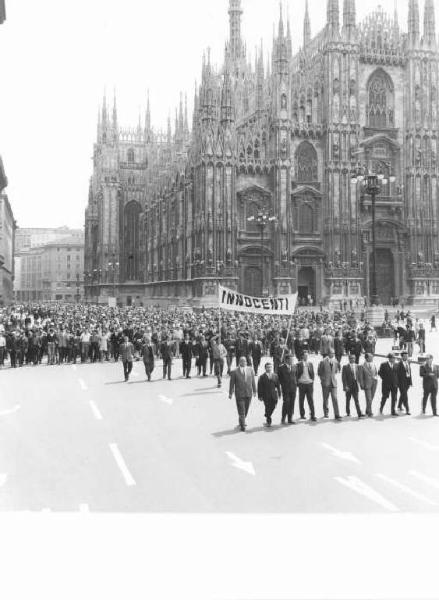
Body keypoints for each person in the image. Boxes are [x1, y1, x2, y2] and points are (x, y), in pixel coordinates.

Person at [229, 356, 257, 432]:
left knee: (246, 410)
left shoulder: (250, 369)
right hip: (239, 394)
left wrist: (254, 391)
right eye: (241, 361)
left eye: (244, 361)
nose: (243, 362)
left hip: (248, 393)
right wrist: (230, 393)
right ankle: (242, 425)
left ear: (246, 362)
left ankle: (242, 419)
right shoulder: (234, 372)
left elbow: (253, 381)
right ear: (239, 362)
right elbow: (232, 383)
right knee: (242, 410)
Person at [318, 348, 342, 420]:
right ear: (328, 354)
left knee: (335, 398)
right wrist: (323, 380)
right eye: (332, 353)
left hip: (333, 383)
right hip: (326, 383)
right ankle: (326, 413)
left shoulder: (335, 361)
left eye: (334, 353)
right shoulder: (323, 361)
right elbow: (319, 372)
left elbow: (337, 370)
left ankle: (337, 414)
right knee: (326, 399)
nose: (333, 354)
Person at [257, 362, 281, 427]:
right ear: (265, 368)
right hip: (266, 395)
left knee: (273, 406)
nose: (269, 368)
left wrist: (279, 393)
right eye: (267, 367)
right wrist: (260, 396)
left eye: (270, 367)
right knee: (267, 407)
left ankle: (267, 414)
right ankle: (268, 421)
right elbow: (259, 387)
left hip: (274, 395)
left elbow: (278, 385)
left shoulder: (275, 375)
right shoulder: (262, 377)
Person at [296, 350, 316, 421]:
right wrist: (298, 382)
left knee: (311, 400)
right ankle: (302, 414)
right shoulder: (298, 364)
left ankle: (313, 415)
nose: (306, 357)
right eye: (305, 356)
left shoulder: (310, 364)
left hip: (309, 384)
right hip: (302, 384)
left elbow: (312, 373)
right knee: (301, 400)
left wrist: (312, 380)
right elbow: (296, 374)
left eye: (307, 356)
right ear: (302, 356)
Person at [342, 354, 364, 418]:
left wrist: (361, 384)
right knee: (348, 400)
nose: (352, 359)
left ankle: (359, 413)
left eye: (353, 358)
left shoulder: (358, 366)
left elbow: (359, 377)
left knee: (356, 400)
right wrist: (345, 386)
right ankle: (348, 412)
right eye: (351, 358)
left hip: (355, 385)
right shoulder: (345, 367)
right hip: (348, 386)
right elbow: (344, 378)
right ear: (349, 359)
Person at [278, 353, 297, 424]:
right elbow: (279, 379)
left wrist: (296, 383)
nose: (292, 361)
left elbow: (296, 376)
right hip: (285, 389)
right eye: (291, 359)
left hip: (293, 388)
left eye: (292, 359)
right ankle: (283, 418)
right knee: (286, 403)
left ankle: (290, 418)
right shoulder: (281, 368)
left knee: (292, 403)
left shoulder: (295, 366)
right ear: (286, 360)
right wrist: (280, 387)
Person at [358, 353, 378, 417]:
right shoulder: (362, 366)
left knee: (371, 397)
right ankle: (370, 412)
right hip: (367, 384)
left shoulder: (374, 364)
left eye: (372, 357)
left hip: (374, 383)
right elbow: (360, 377)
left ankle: (367, 409)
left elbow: (376, 372)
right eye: (371, 357)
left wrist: (376, 378)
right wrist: (361, 384)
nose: (372, 358)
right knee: (368, 399)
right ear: (367, 358)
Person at [396, 350, 412, 415]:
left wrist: (410, 381)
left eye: (407, 356)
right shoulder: (399, 364)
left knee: (403, 394)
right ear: (402, 357)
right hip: (401, 382)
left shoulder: (408, 362)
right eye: (405, 356)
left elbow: (409, 372)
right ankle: (407, 409)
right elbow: (397, 374)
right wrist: (397, 383)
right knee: (405, 396)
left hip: (407, 381)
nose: (406, 357)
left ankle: (399, 405)